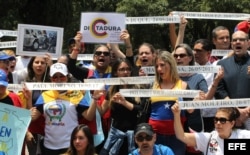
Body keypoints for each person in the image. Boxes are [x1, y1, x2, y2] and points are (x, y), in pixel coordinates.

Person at [31, 62, 97, 155]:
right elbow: (33, 117)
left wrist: (95, 99)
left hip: (69, 146)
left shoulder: (76, 94)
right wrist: (28, 98)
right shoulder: (45, 95)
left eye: (61, 76)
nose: (58, 80)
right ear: (51, 79)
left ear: (67, 77)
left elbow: (89, 117)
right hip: (49, 146)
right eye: (55, 77)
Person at [98, 58, 142, 155]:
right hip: (115, 136)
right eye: (122, 69)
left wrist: (124, 102)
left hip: (133, 136)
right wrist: (94, 98)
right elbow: (101, 111)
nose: (126, 72)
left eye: (128, 69)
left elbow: (141, 110)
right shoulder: (112, 90)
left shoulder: (138, 88)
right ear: (115, 72)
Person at [172, 102, 250, 155]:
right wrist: (176, 114)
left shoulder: (243, 136)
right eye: (216, 119)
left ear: (232, 123)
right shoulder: (208, 138)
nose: (218, 123)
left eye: (222, 120)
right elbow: (181, 136)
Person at [149, 51, 188, 155]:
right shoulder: (153, 85)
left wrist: (198, 99)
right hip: (155, 136)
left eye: (162, 65)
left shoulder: (183, 85)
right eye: (157, 66)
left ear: (171, 65)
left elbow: (191, 110)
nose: (159, 69)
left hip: (177, 136)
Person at [215, 30, 250, 129]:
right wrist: (236, 110)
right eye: (235, 40)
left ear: (248, 43)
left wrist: (247, 111)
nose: (237, 42)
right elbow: (219, 90)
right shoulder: (222, 64)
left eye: (241, 40)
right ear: (231, 44)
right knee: (233, 144)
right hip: (229, 116)